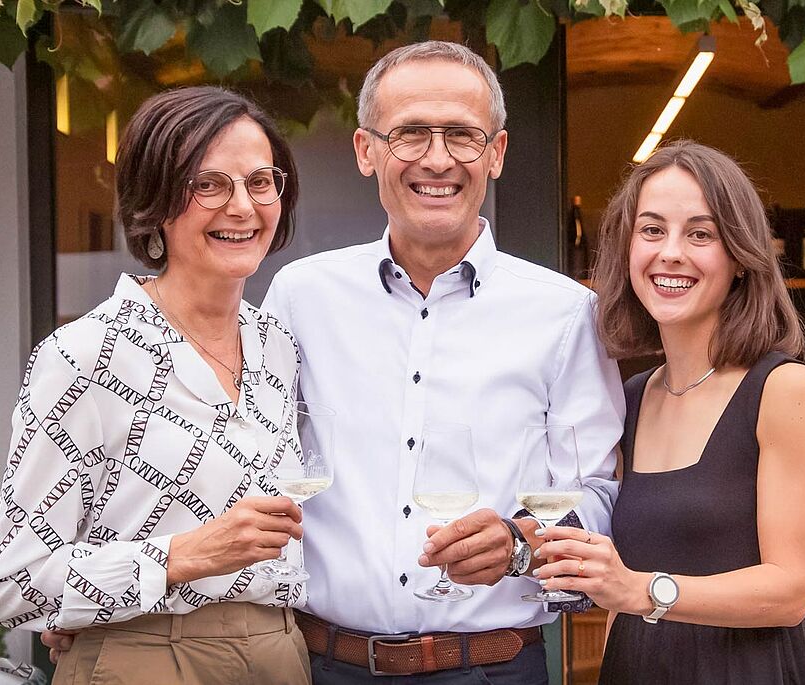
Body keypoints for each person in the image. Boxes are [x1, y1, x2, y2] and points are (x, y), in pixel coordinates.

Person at [262, 41, 625, 683]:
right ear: (366, 150)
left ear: (497, 153)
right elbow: (248, 466)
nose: (438, 159)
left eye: (462, 134)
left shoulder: (568, 313)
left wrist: (519, 543)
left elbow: (597, 495)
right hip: (324, 666)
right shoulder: (300, 297)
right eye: (410, 134)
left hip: (492, 669)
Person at [0, 86, 312, 685]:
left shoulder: (278, 348)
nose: (242, 206)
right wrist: (185, 556)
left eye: (261, 182)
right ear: (154, 200)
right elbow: (12, 583)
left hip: (281, 652)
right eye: (208, 185)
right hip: (146, 660)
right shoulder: (85, 356)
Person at [536, 140, 805, 683]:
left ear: (741, 259)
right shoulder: (628, 398)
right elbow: (620, 590)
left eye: (700, 234)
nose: (670, 252)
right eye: (652, 230)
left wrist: (642, 590)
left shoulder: (784, 390)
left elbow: (791, 592)